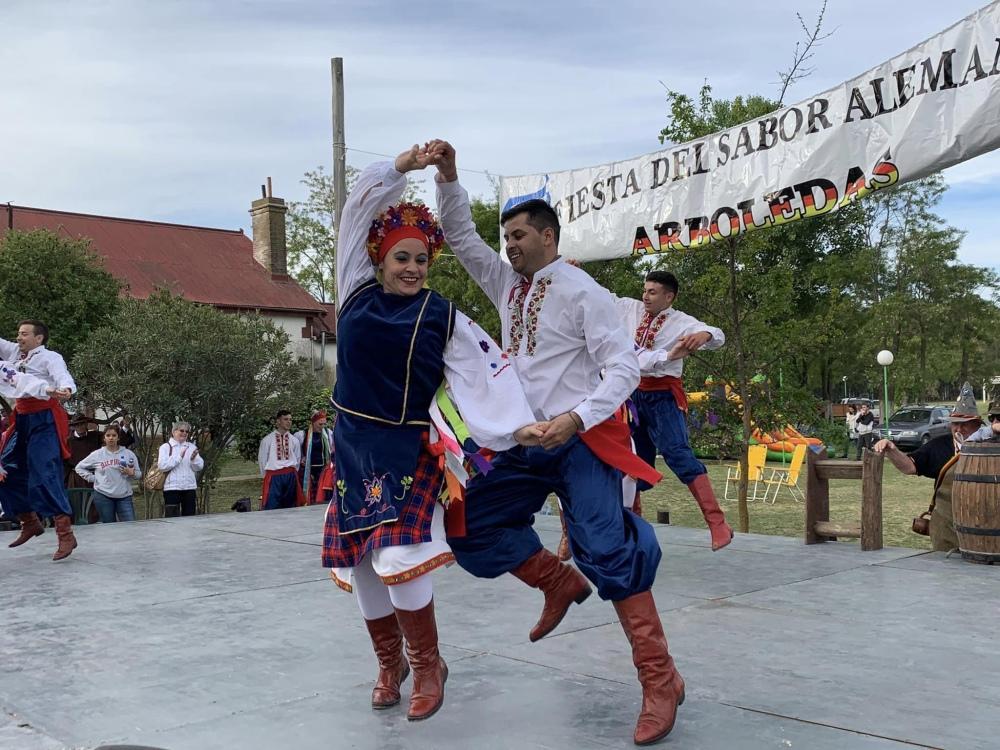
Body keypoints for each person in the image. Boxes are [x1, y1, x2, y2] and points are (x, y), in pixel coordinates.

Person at [431, 140, 683, 746]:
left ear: (547, 235)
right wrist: (449, 178)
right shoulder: (508, 287)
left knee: (606, 548)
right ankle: (555, 581)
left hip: (578, 442)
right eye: (506, 237)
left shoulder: (582, 291)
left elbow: (623, 369)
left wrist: (576, 418)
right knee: (468, 525)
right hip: (522, 443)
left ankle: (659, 678)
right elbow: (462, 240)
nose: (509, 245)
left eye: (518, 235)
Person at [325, 145, 540, 722]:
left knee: (398, 556)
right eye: (402, 258)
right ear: (379, 256)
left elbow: (487, 372)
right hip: (350, 447)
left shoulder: (441, 314)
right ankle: (387, 661)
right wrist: (401, 166)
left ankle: (427, 664)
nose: (413, 268)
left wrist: (523, 424)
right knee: (362, 561)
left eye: (422, 259)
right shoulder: (353, 290)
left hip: (404, 450)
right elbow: (356, 210)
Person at [605, 269, 731, 551]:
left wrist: (704, 334)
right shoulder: (629, 308)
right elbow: (601, 297)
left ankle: (717, 522)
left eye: (652, 292)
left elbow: (719, 335)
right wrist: (573, 271)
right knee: (630, 462)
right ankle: (630, 529)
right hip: (632, 397)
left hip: (663, 397)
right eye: (645, 290)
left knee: (677, 453)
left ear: (669, 296)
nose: (645, 296)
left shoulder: (682, 322)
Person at [873, 382, 986, 551]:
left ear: (977, 425)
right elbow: (910, 467)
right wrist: (892, 449)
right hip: (946, 528)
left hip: (984, 527)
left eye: (965, 423)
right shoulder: (938, 446)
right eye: (955, 423)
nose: (959, 428)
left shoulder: (991, 446)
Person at [0, 321, 79, 560]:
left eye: (24, 334)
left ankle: (65, 533)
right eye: (18, 333)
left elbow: (62, 377)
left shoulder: (50, 357)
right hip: (21, 419)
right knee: (5, 471)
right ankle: (29, 520)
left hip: (44, 419)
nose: (19, 337)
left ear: (39, 338)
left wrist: (66, 388)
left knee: (44, 472)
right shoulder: (14, 352)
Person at [74, 424, 141, 522]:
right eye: (108, 435)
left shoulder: (128, 454)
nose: (111, 438)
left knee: (130, 526)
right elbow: (79, 467)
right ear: (104, 438)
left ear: (118, 438)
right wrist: (93, 478)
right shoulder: (97, 454)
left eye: (114, 435)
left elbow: (139, 474)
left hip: (124, 496)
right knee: (109, 527)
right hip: (103, 495)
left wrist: (132, 473)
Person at [258, 410, 304, 510]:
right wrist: (266, 476)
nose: (289, 422)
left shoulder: (294, 440)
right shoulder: (267, 440)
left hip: (290, 476)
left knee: (291, 506)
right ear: (278, 421)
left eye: (290, 420)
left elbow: (297, 458)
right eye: (285, 419)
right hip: (274, 477)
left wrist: (293, 472)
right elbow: (262, 460)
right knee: (272, 506)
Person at [157, 421, 203, 517]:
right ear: (174, 432)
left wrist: (194, 459)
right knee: (172, 518)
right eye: (181, 430)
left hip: (189, 487)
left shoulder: (191, 447)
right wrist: (178, 458)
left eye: (187, 431)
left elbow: (199, 467)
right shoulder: (165, 447)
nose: (184, 433)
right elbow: (162, 466)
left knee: (190, 517)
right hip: (172, 488)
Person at [294, 410, 333, 505]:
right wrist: (301, 458)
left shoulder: (328, 433)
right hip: (308, 471)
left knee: (323, 496)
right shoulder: (302, 435)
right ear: (313, 422)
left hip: (323, 470)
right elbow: (296, 452)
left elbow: (332, 449)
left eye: (324, 424)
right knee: (309, 496)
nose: (323, 427)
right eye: (320, 424)